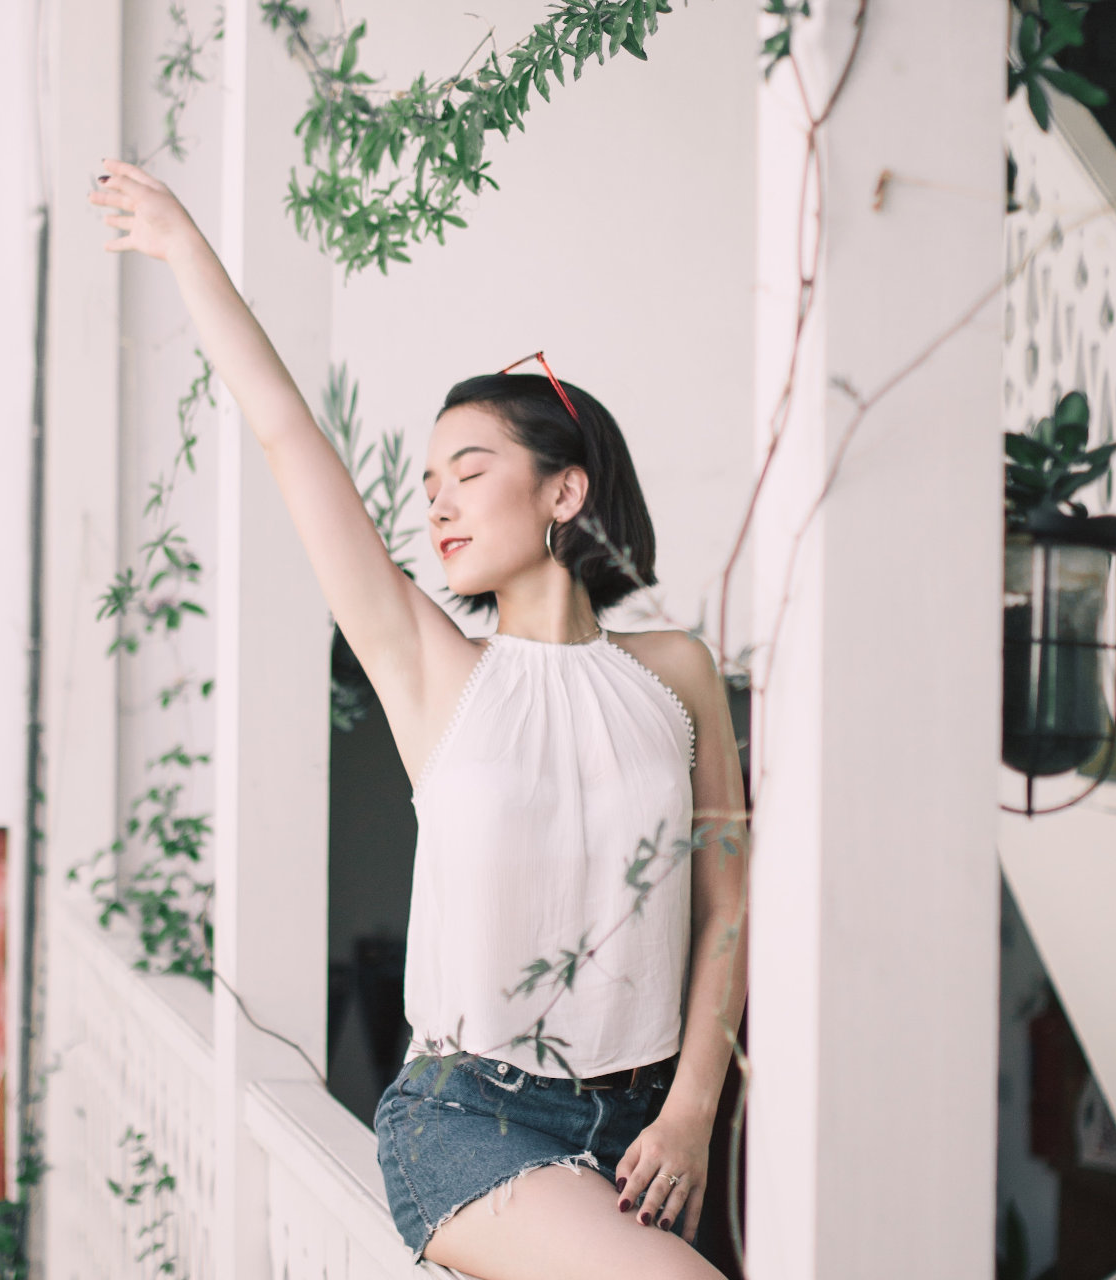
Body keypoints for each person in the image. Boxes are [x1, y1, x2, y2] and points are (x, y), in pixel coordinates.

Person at [89, 156, 748, 1280]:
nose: (435, 496)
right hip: (471, 1123)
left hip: (648, 1130)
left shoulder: (676, 672)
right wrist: (183, 248)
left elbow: (729, 894)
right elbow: (289, 435)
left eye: (469, 467)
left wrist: (690, 1107)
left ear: (565, 490)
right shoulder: (431, 665)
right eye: (428, 475)